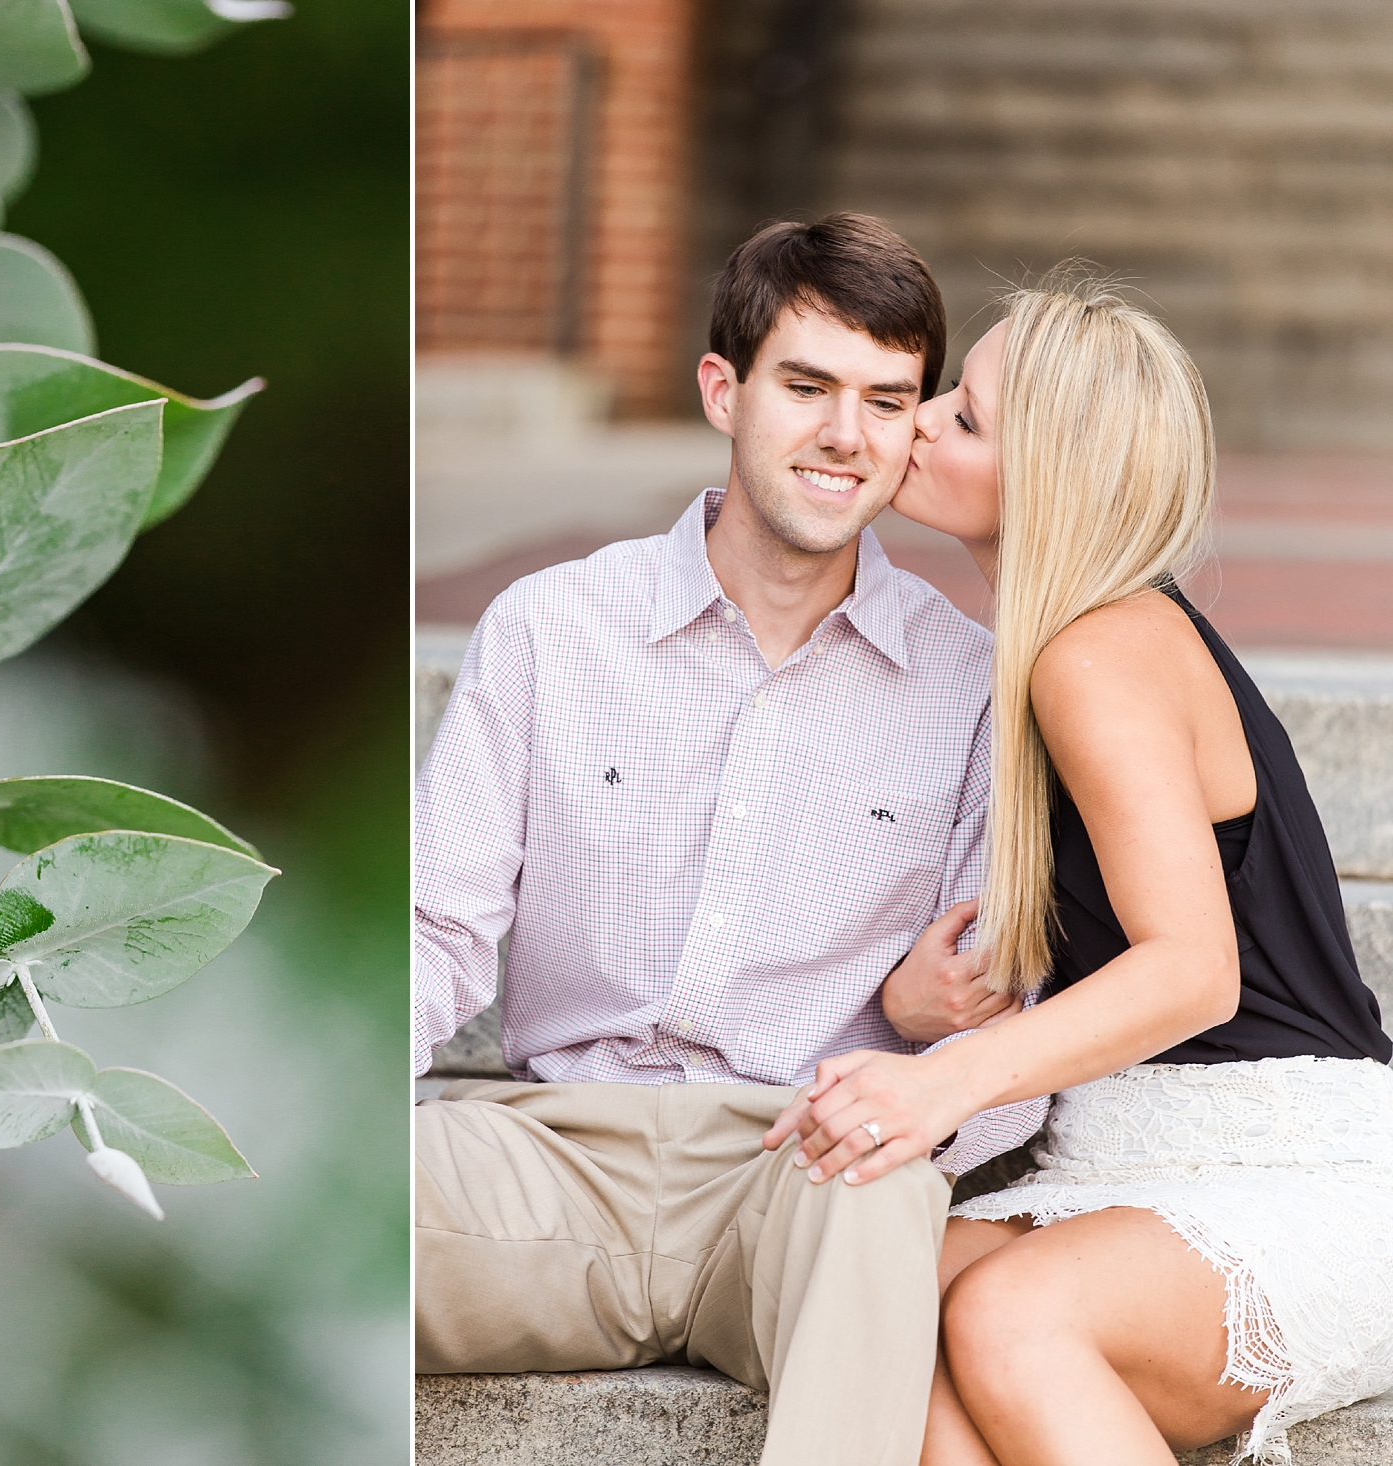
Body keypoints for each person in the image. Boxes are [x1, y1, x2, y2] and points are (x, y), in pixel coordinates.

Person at [414, 213, 1046, 1466]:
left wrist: (916, 1104)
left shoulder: (972, 687)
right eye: (806, 387)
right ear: (724, 388)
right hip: (544, 1163)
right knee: (266, 1190)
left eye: (886, 399)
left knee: (879, 1197)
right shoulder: (552, 627)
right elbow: (436, 923)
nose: (843, 437)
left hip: (801, 1173)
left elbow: (1011, 1011)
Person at [772, 272, 1393, 1465]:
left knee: (1012, 1312)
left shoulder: (1096, 650)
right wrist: (914, 1012)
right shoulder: (1059, 644)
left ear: (1043, 473)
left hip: (1294, 1164)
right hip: (1127, 1158)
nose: (922, 418)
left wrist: (942, 1079)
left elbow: (1194, 972)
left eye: (962, 416)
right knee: (882, 1304)